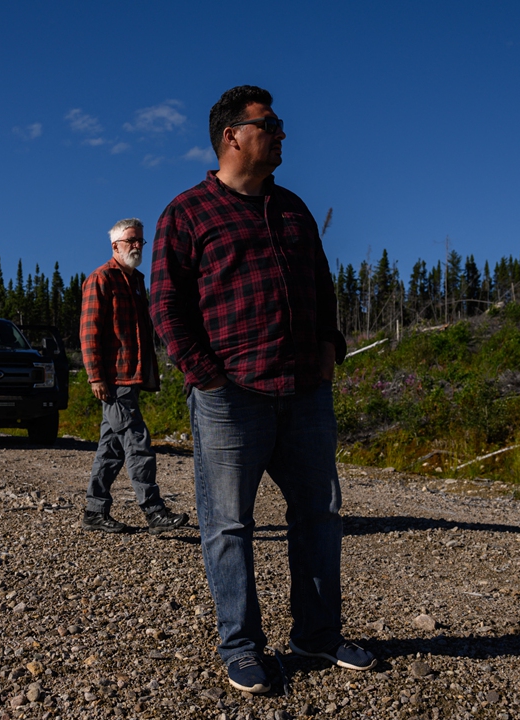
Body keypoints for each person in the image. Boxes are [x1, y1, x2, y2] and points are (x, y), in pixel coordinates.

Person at [149, 86, 377, 694]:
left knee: (320, 515)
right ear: (233, 135)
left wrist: (330, 350)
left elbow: (324, 287)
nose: (281, 134)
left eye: (279, 124)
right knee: (228, 525)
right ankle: (241, 646)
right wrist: (204, 375)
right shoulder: (188, 212)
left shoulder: (294, 208)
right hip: (231, 396)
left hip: (304, 391)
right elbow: (166, 304)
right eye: (269, 124)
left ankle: (317, 636)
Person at [79, 218, 188, 535]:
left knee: (111, 448)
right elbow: (89, 334)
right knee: (137, 443)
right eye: (131, 241)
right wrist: (96, 377)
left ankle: (94, 511)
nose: (138, 245)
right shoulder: (101, 279)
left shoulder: (137, 281)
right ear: (115, 246)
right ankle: (154, 512)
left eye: (141, 240)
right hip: (114, 380)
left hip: (132, 376)